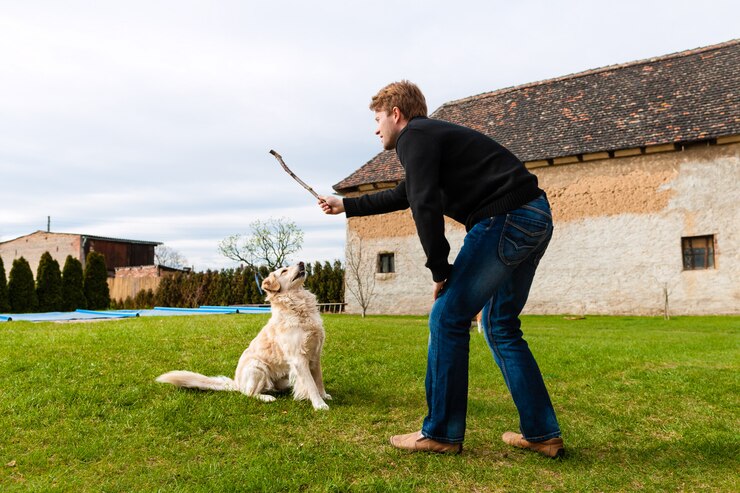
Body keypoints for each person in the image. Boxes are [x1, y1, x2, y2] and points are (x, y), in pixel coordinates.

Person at [319, 80, 564, 458]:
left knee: (447, 316)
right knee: (499, 326)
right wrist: (346, 206)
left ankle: (441, 433)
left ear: (396, 114)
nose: (376, 128)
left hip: (504, 218)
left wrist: (439, 270)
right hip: (534, 215)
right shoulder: (431, 139)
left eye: (378, 118)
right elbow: (406, 193)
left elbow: (423, 203)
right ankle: (542, 433)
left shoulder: (414, 136)